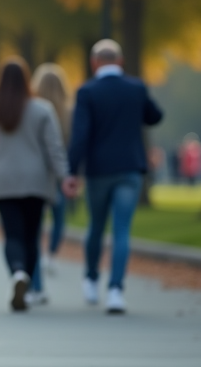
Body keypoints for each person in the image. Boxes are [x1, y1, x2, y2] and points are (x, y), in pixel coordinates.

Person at [63, 39, 164, 315]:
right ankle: (116, 290)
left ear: (94, 63)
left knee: (96, 226)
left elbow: (80, 136)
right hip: (129, 168)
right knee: (122, 230)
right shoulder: (136, 88)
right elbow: (155, 116)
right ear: (120, 62)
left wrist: (71, 171)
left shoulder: (87, 91)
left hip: (98, 170)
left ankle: (91, 279)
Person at [0, 58, 67, 313]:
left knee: (12, 234)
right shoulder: (43, 109)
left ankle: (18, 272)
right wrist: (65, 177)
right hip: (36, 181)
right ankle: (29, 286)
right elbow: (54, 148)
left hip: (3, 181)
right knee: (32, 236)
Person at [28, 63, 72, 304]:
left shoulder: (32, 109)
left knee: (33, 230)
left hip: (35, 176)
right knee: (59, 219)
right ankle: (52, 254)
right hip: (60, 175)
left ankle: (36, 285)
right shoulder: (68, 112)